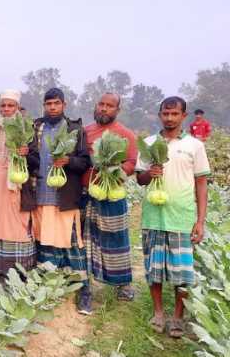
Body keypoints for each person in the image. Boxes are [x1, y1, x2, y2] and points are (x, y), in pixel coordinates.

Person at [136, 96, 209, 338]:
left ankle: (178, 317)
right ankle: (158, 312)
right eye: (165, 114)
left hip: (183, 216)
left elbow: (201, 182)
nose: (169, 118)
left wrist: (200, 220)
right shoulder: (148, 143)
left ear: (183, 116)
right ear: (160, 115)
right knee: (153, 268)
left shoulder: (195, 146)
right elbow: (140, 179)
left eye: (174, 114)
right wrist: (150, 172)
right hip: (153, 216)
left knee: (182, 272)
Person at [31, 87, 92, 314]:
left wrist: (68, 161)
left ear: (64, 105)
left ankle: (83, 291)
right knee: (44, 241)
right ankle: (48, 287)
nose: (52, 107)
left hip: (65, 197)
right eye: (49, 104)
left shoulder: (75, 129)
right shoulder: (36, 127)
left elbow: (85, 161)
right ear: (44, 106)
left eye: (56, 103)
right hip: (40, 195)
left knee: (72, 244)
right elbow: (31, 158)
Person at [0, 90, 39, 281]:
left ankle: (17, 273)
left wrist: (26, 153)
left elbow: (36, 161)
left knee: (15, 228)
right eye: (3, 105)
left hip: (16, 187)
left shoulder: (27, 131)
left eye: (10, 105)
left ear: (17, 108)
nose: (6, 109)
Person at [82, 93, 138, 301]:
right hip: (87, 194)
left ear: (117, 110)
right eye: (101, 104)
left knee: (116, 238)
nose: (104, 108)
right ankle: (84, 282)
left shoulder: (126, 135)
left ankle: (122, 283)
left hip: (112, 194)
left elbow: (132, 163)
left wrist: (114, 169)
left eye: (110, 106)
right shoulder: (86, 132)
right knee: (85, 239)